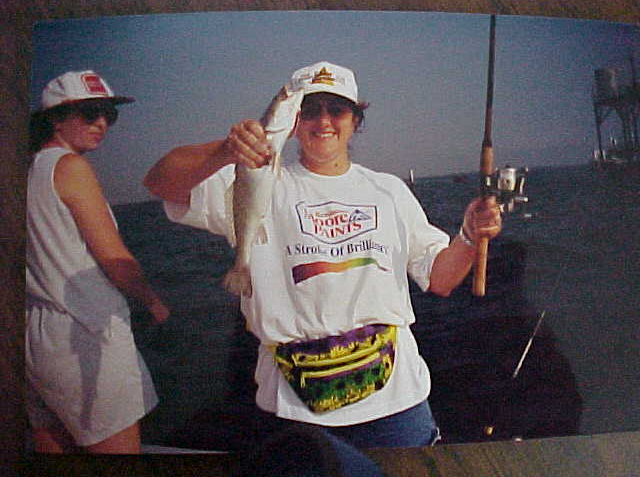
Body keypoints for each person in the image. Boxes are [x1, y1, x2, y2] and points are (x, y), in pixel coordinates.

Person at [144, 61, 501, 449]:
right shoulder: (253, 176)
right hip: (294, 411)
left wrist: (469, 235)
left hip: (397, 406)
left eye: (337, 109)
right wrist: (226, 150)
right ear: (293, 121)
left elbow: (441, 279)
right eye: (311, 110)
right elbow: (159, 182)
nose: (324, 121)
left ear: (355, 120)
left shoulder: (390, 191)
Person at [26, 70, 170, 453]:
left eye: (109, 114)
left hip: (36, 335)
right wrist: (154, 303)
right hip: (85, 333)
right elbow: (113, 257)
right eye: (91, 113)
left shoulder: (28, 170)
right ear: (56, 119)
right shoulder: (70, 167)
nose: (102, 123)